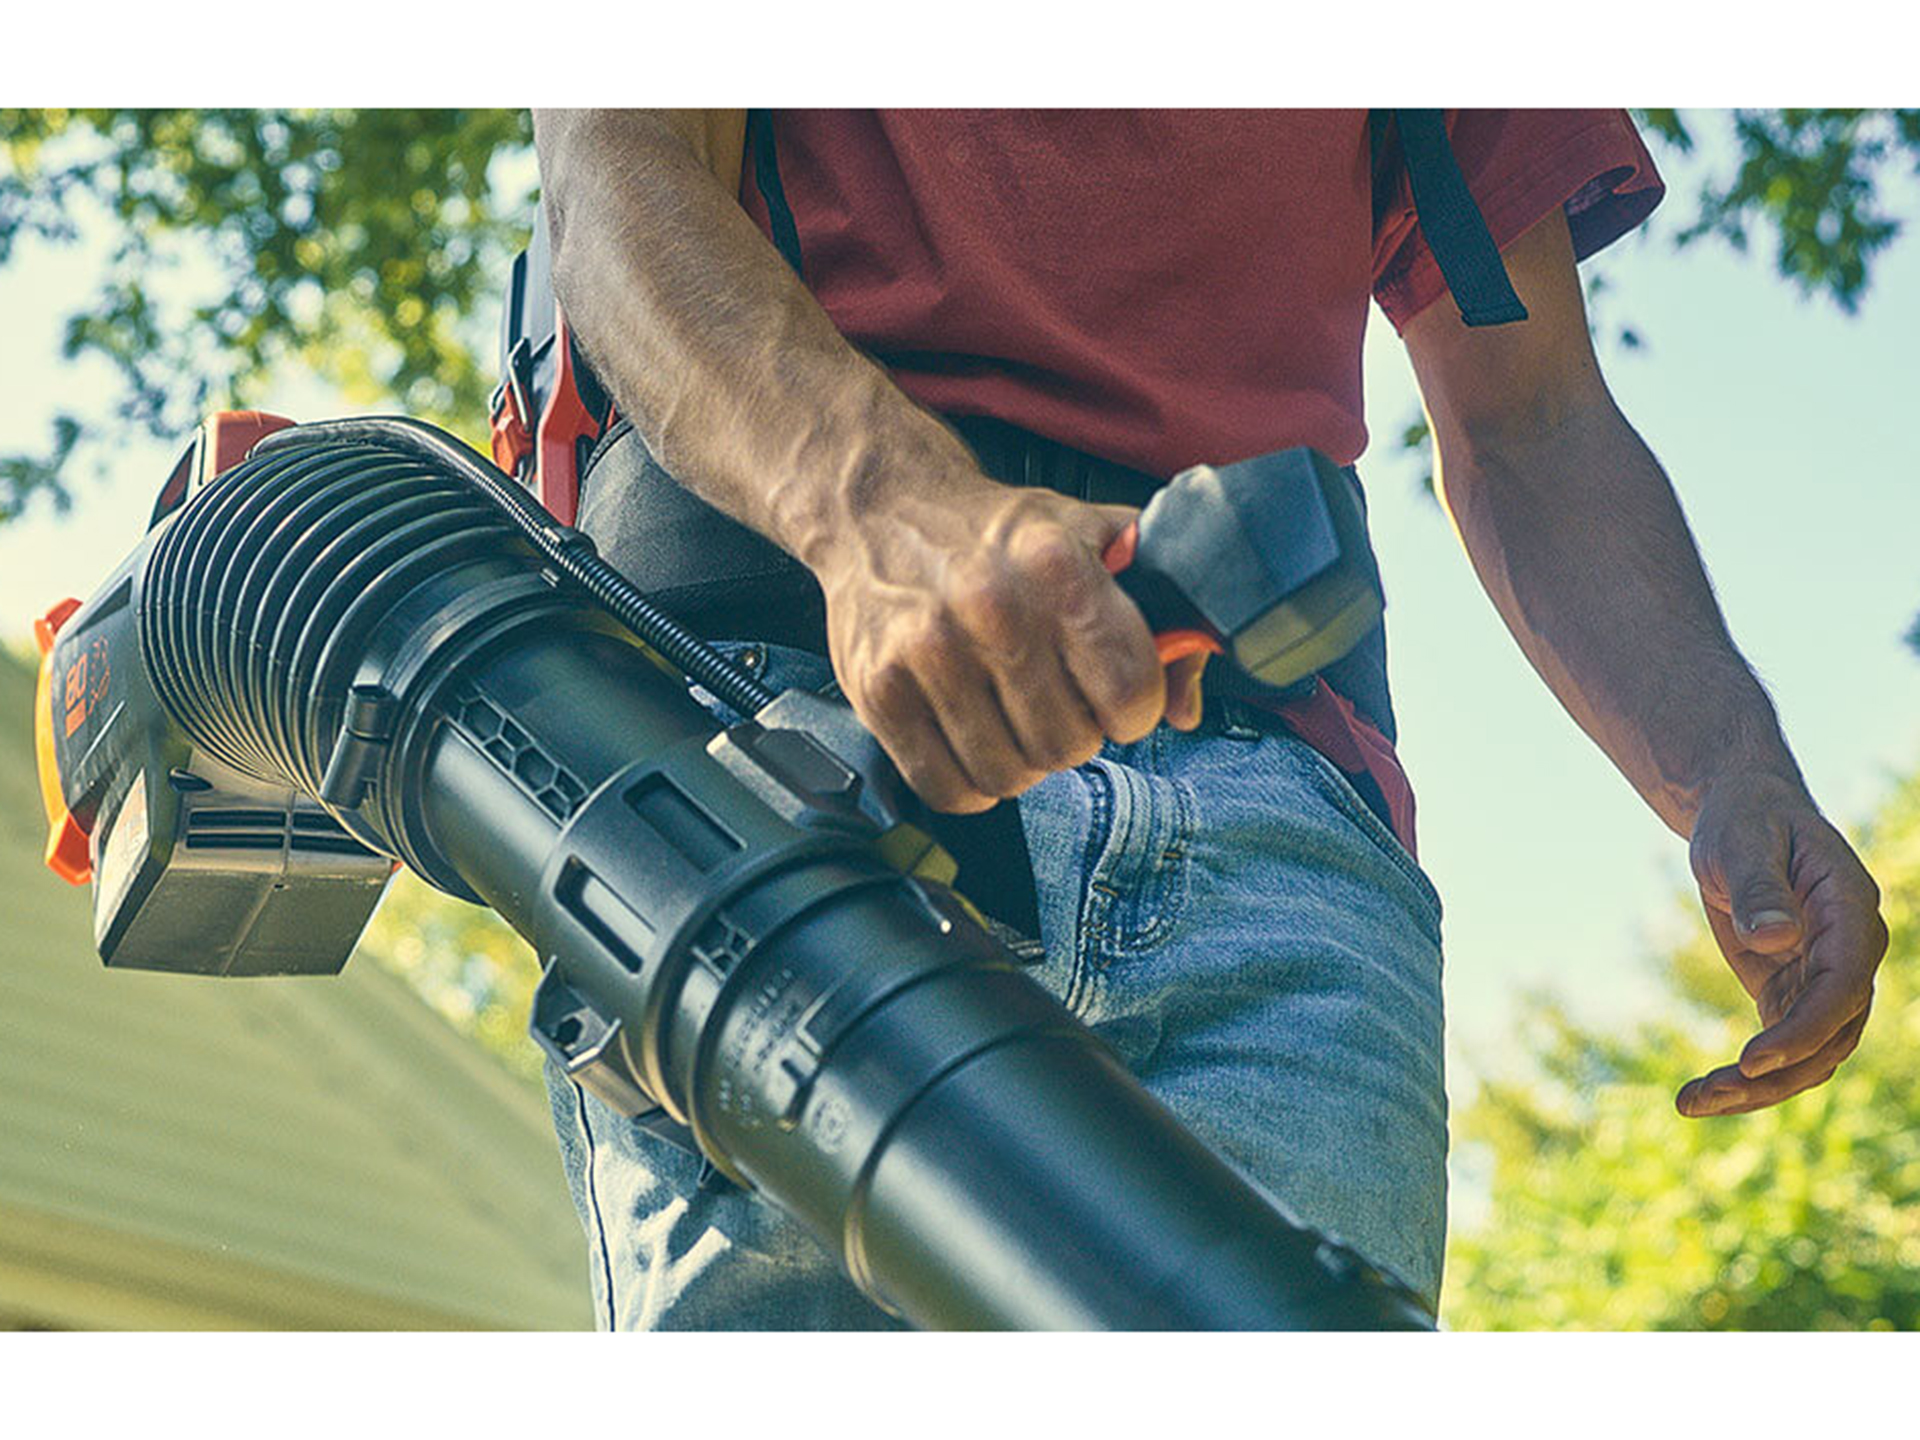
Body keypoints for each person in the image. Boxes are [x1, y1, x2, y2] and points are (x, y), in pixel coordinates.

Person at [529, 109, 1888, 1330]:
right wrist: (883, 515)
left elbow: (1530, 415)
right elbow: (617, 174)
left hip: (1279, 848)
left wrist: (1730, 762)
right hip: (800, 733)